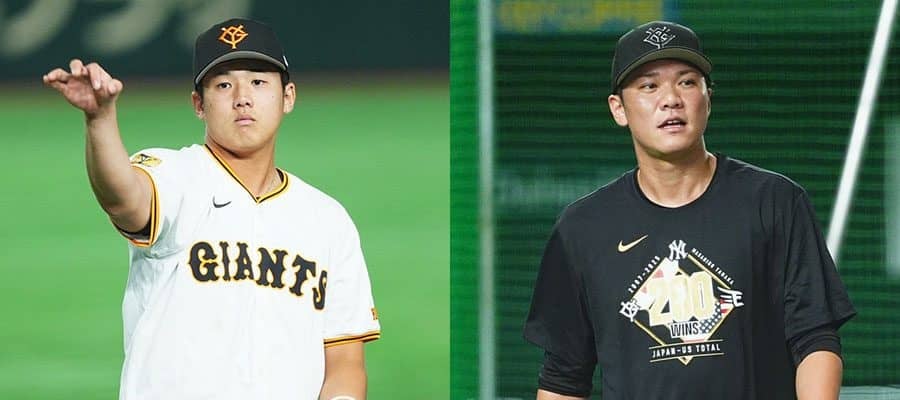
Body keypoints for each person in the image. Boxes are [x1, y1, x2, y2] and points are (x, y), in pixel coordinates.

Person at [43, 18, 380, 400]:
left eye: (258, 82)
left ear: (287, 97)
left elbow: (344, 364)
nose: (242, 97)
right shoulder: (175, 176)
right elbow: (124, 199)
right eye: (223, 85)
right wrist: (100, 120)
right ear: (198, 104)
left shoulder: (328, 220)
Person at [523, 21, 855, 399]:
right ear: (618, 108)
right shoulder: (582, 227)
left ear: (708, 98)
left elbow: (814, 338)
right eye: (649, 86)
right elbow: (563, 377)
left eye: (686, 82)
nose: (671, 99)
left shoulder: (775, 201)